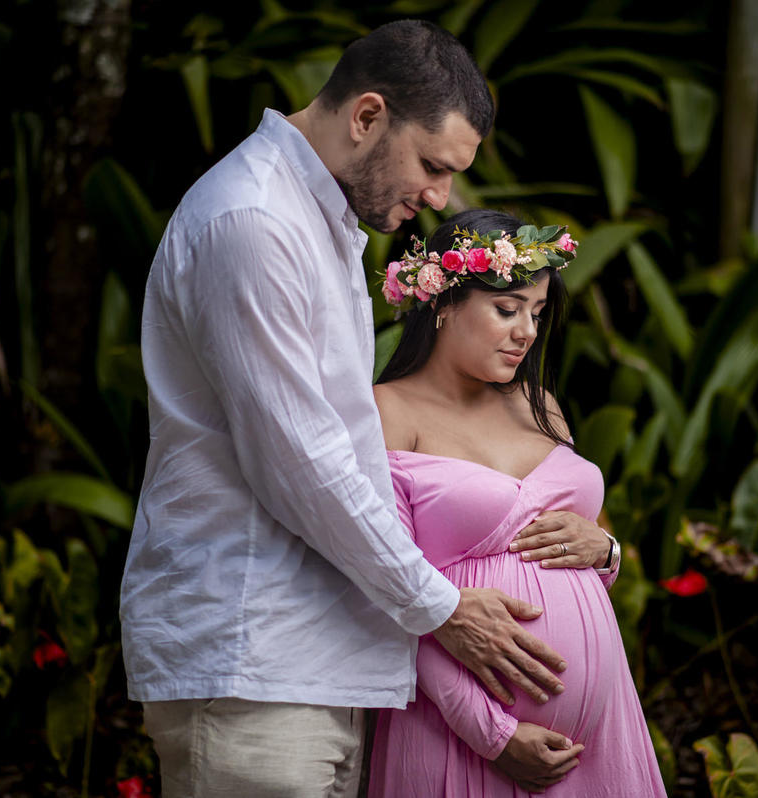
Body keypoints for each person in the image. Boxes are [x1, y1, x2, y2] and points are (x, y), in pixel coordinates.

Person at [119, 21, 570, 797]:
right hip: (251, 662)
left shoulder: (321, 223)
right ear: (367, 116)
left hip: (314, 666)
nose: (439, 198)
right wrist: (441, 608)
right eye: (431, 166)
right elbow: (300, 463)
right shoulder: (253, 221)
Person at [366, 209, 668, 796]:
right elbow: (386, 592)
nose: (527, 332)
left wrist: (607, 550)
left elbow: (586, 542)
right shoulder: (387, 411)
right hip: (457, 730)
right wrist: (492, 735)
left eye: (536, 313)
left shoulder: (539, 404)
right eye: (507, 310)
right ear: (443, 303)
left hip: (598, 734)